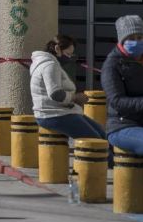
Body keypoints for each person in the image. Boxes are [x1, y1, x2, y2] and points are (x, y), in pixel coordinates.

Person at [30, 35, 106, 140]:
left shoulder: (50, 64)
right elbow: (56, 94)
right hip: (54, 115)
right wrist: (75, 97)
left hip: (60, 112)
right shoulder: (50, 65)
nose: (69, 58)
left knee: (101, 133)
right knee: (96, 140)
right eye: (68, 54)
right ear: (57, 49)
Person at [101, 15, 143, 155]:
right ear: (122, 40)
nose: (136, 42)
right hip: (122, 126)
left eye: (140, 37)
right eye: (131, 38)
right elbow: (116, 101)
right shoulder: (112, 64)